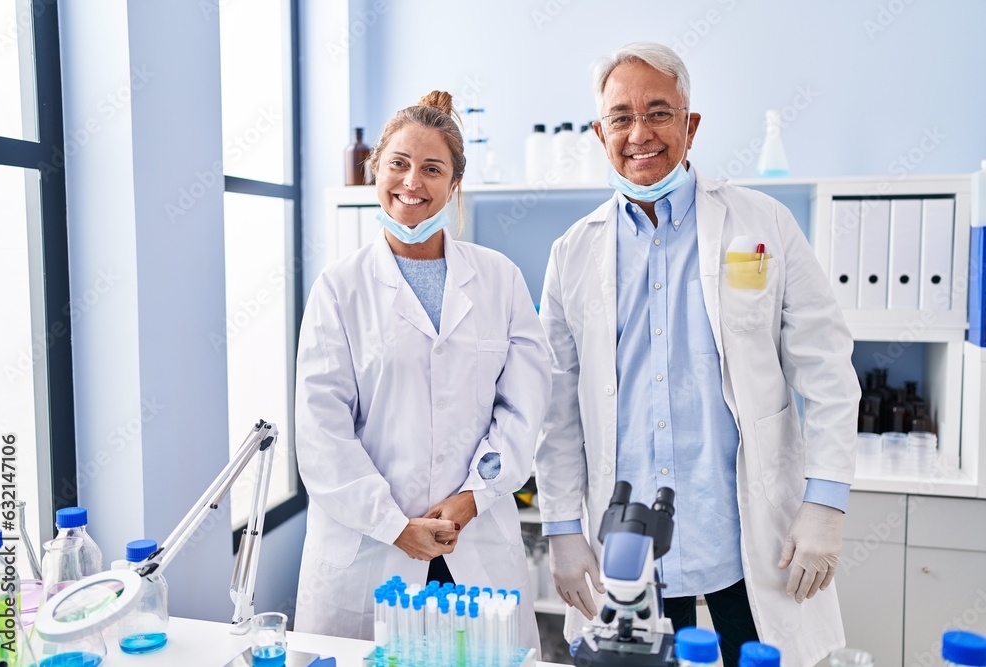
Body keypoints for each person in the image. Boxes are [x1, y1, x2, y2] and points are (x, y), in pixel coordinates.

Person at [534, 43, 860, 667]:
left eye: (659, 111)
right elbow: (557, 409)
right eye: (621, 117)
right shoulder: (573, 254)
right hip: (628, 546)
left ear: (691, 125)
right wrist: (561, 529)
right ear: (600, 133)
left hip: (744, 535)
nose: (640, 133)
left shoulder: (761, 222)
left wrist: (825, 500)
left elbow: (825, 367)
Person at [294, 91, 551, 649]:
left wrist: (473, 496)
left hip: (472, 540)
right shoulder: (339, 288)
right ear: (375, 171)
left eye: (433, 169)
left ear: (454, 185)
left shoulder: (500, 279)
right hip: (370, 551)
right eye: (399, 164)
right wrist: (394, 527)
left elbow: (524, 408)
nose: (413, 181)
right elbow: (322, 432)